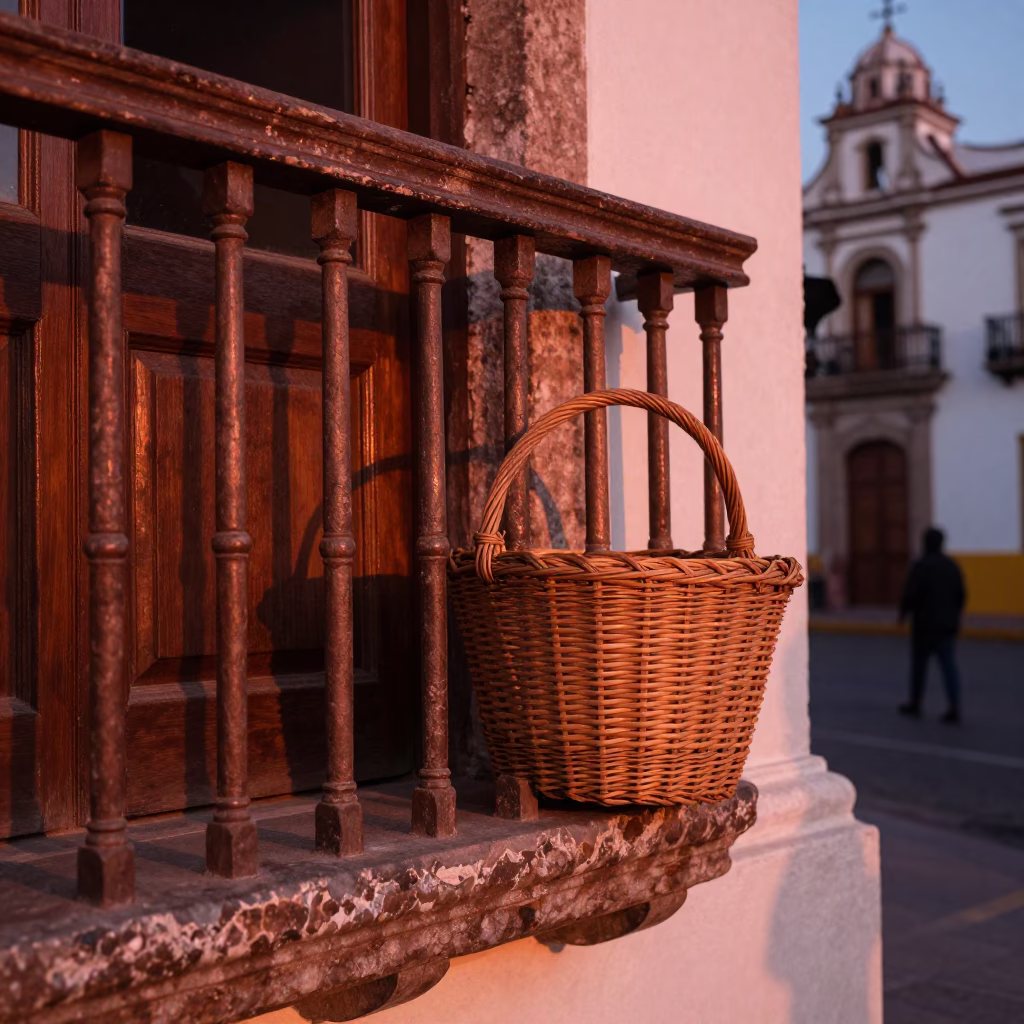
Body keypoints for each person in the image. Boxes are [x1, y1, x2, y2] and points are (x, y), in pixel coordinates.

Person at [898, 527, 966, 723]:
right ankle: (954, 706)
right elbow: (961, 595)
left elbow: (911, 593)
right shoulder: (952, 565)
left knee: (919, 666)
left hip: (924, 626)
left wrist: (903, 615)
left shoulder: (921, 566)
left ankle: (915, 703)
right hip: (947, 625)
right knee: (949, 666)